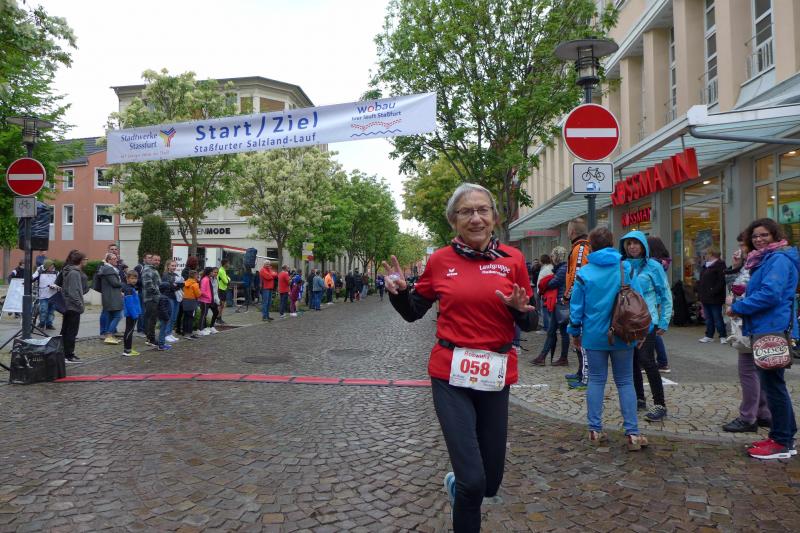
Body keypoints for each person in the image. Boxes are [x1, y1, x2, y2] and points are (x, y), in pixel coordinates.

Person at [385, 183, 537, 531]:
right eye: (466, 212)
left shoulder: (513, 260)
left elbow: (531, 322)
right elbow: (413, 312)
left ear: (494, 217)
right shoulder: (440, 261)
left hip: (495, 374)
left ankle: (457, 486)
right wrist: (400, 293)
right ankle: (463, 488)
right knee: (473, 482)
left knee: (490, 483)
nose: (476, 218)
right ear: (454, 220)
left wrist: (519, 310)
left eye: (483, 210)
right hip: (450, 374)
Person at [566, 227, 648, 451]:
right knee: (625, 381)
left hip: (594, 336)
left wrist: (575, 332)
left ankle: (594, 429)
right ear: (612, 243)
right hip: (623, 333)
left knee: (596, 380)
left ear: (591, 246)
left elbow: (576, 307)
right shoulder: (625, 268)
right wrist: (643, 331)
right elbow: (639, 301)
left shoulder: (584, 273)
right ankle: (632, 433)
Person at [728, 218, 798, 459]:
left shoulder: (777, 259)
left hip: (772, 328)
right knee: (773, 385)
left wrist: (739, 307)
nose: (759, 239)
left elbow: (770, 294)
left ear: (775, 236)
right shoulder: (765, 259)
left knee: (773, 386)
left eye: (764, 235)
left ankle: (782, 442)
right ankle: (783, 436)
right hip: (765, 326)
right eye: (755, 236)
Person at [620, 231, 673, 422]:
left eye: (636, 243)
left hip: (647, 321)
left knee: (647, 360)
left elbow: (665, 294)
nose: (632, 247)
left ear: (643, 245)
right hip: (627, 322)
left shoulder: (654, 266)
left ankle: (660, 404)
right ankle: (639, 398)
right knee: (632, 361)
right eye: (629, 243)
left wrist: (664, 321)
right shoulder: (622, 266)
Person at [722, 232, 772, 433]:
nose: (742, 249)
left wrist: (736, 302)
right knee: (760, 370)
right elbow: (735, 286)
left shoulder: (759, 263)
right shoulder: (753, 261)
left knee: (748, 371)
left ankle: (748, 416)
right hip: (754, 322)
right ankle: (763, 413)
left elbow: (755, 293)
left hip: (753, 322)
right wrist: (735, 267)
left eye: (744, 245)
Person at [564, 218, 591, 385]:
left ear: (572, 232)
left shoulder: (580, 248)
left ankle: (584, 376)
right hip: (580, 300)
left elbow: (578, 276)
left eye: (568, 230)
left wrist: (568, 295)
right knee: (577, 337)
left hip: (581, 302)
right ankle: (581, 371)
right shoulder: (579, 247)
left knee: (580, 338)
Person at [531, 247, 568, 366]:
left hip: (560, 305)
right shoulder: (561, 268)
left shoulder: (562, 269)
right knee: (555, 332)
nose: (552, 258)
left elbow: (552, 283)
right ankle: (544, 357)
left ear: (557, 256)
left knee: (560, 332)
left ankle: (559, 358)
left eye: (553, 256)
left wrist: (547, 281)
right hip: (559, 304)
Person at [58, 250, 90, 364]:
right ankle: (68, 355)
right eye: (85, 259)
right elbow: (74, 292)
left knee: (66, 331)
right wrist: (80, 305)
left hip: (69, 305)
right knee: (71, 332)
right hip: (73, 306)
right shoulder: (74, 273)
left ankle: (64, 354)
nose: (86, 261)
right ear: (81, 261)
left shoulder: (70, 271)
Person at [646, 238, 673, 373]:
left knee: (653, 332)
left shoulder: (655, 264)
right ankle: (661, 361)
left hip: (653, 299)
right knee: (654, 332)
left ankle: (662, 361)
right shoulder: (663, 261)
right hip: (656, 300)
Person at [697, 246, 727, 343]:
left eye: (706, 254)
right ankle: (709, 335)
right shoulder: (705, 266)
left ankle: (723, 336)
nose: (704, 256)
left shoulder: (720, 265)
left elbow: (721, 282)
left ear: (711, 254)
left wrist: (713, 291)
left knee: (717, 317)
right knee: (708, 318)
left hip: (715, 297)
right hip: (705, 296)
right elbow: (701, 281)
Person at [98, 253, 123, 345]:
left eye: (116, 258)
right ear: (108, 260)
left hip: (111, 295)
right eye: (114, 259)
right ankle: (109, 335)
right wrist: (125, 284)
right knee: (118, 316)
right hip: (112, 296)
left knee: (111, 316)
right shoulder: (109, 269)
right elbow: (115, 283)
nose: (116, 260)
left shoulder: (109, 269)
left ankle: (109, 335)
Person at [161, 259, 183, 344]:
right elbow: (169, 286)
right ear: (168, 266)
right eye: (172, 265)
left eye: (175, 266)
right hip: (169, 297)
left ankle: (170, 333)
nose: (174, 267)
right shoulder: (165, 275)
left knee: (174, 317)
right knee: (169, 316)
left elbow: (182, 284)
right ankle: (166, 334)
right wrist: (175, 285)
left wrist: (176, 285)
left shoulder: (176, 275)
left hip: (176, 297)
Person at [141, 253, 161, 347]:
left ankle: (151, 338)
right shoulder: (147, 269)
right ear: (151, 260)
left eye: (159, 260)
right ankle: (150, 339)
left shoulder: (153, 270)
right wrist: (158, 292)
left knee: (153, 319)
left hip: (155, 298)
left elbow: (157, 284)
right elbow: (148, 285)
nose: (157, 262)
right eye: (155, 260)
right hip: (150, 298)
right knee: (151, 319)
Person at [32, 259, 58, 330]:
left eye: (53, 266)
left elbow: (60, 282)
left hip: (53, 295)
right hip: (43, 295)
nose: (52, 267)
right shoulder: (40, 272)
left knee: (51, 311)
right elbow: (32, 278)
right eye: (50, 266)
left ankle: (49, 324)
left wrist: (56, 286)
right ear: (47, 266)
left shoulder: (56, 273)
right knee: (43, 310)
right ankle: (42, 323)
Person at [177, 256, 199, 336]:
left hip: (185, 297)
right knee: (187, 315)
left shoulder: (187, 271)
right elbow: (198, 293)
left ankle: (183, 330)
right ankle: (186, 331)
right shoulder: (187, 272)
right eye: (196, 262)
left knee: (185, 315)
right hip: (189, 297)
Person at [122, 270, 142, 357]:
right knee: (129, 331)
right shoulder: (129, 289)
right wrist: (135, 314)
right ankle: (127, 350)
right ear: (127, 279)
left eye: (135, 278)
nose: (134, 280)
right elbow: (129, 304)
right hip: (132, 314)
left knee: (129, 331)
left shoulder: (131, 288)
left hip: (133, 313)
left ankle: (128, 349)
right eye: (132, 278)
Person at [535, 254, 553, 335]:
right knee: (550, 311)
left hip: (544, 292)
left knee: (545, 311)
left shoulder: (544, 270)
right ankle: (551, 327)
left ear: (542, 261)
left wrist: (539, 292)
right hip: (551, 292)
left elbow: (540, 282)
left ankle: (546, 328)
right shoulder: (552, 267)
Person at [198, 267, 219, 335]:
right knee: (204, 314)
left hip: (209, 299)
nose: (214, 273)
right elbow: (203, 290)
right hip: (205, 300)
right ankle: (201, 329)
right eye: (213, 272)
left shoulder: (210, 279)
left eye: (216, 272)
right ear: (210, 272)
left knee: (210, 313)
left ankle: (207, 328)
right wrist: (208, 296)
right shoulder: (205, 279)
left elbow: (214, 290)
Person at [134, 253, 152, 333]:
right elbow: (134, 279)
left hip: (149, 292)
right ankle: (140, 330)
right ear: (144, 259)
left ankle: (145, 329)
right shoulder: (139, 267)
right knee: (142, 311)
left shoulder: (150, 268)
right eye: (149, 258)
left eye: (151, 258)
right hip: (142, 292)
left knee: (147, 312)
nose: (150, 259)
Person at [182, 270, 201, 339]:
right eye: (197, 275)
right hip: (192, 302)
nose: (198, 276)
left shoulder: (185, 282)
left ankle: (185, 332)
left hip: (185, 301)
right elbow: (198, 294)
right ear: (195, 276)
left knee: (186, 317)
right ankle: (189, 333)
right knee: (191, 318)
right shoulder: (195, 284)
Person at [156, 282, 173, 350]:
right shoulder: (164, 298)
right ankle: (161, 345)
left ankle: (162, 343)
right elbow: (163, 308)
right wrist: (166, 316)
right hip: (164, 317)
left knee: (163, 330)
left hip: (164, 316)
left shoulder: (163, 297)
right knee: (163, 330)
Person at [217, 258, 230, 324]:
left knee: (222, 305)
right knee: (221, 305)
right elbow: (226, 281)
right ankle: (218, 318)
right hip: (221, 289)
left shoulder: (223, 270)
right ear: (225, 264)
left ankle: (219, 318)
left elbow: (227, 278)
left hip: (223, 288)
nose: (229, 264)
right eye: (228, 263)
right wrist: (228, 279)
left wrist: (227, 278)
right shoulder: (221, 271)